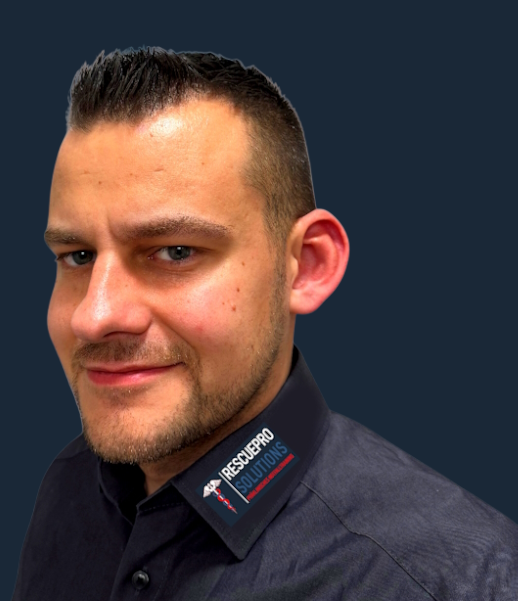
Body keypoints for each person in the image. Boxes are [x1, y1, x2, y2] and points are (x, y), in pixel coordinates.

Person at [13, 48, 517, 601]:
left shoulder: (455, 583)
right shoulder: (69, 486)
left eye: (175, 251)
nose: (94, 316)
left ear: (306, 266)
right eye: (78, 257)